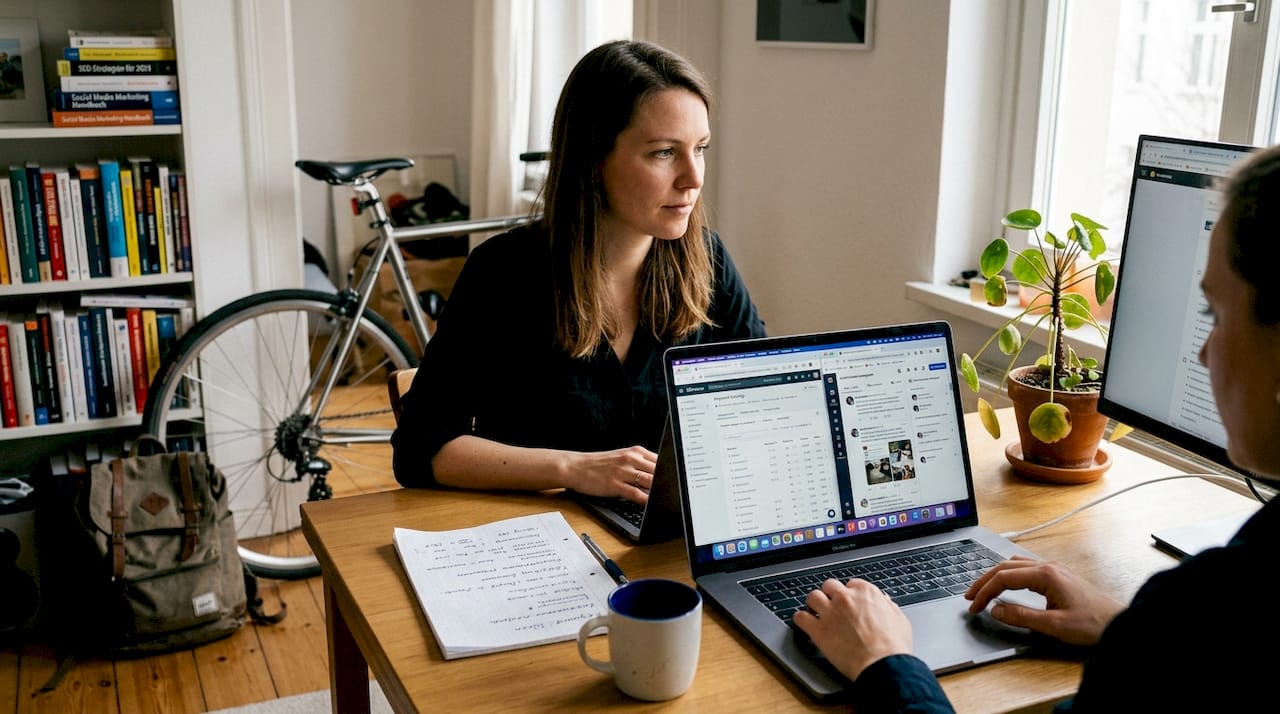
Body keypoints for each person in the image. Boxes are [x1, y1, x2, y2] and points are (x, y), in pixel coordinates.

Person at [793, 142, 1280, 711]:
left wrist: (885, 663)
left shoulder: (1222, 600)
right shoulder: (1199, 619)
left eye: (1214, 314)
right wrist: (1124, 629)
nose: (1203, 355)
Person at [391, 40, 765, 503]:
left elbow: (762, 408)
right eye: (664, 153)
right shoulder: (503, 272)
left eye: (700, 148)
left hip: (662, 549)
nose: (694, 177)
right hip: (535, 545)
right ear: (594, 158)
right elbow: (418, 449)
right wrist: (572, 468)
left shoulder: (709, 262)